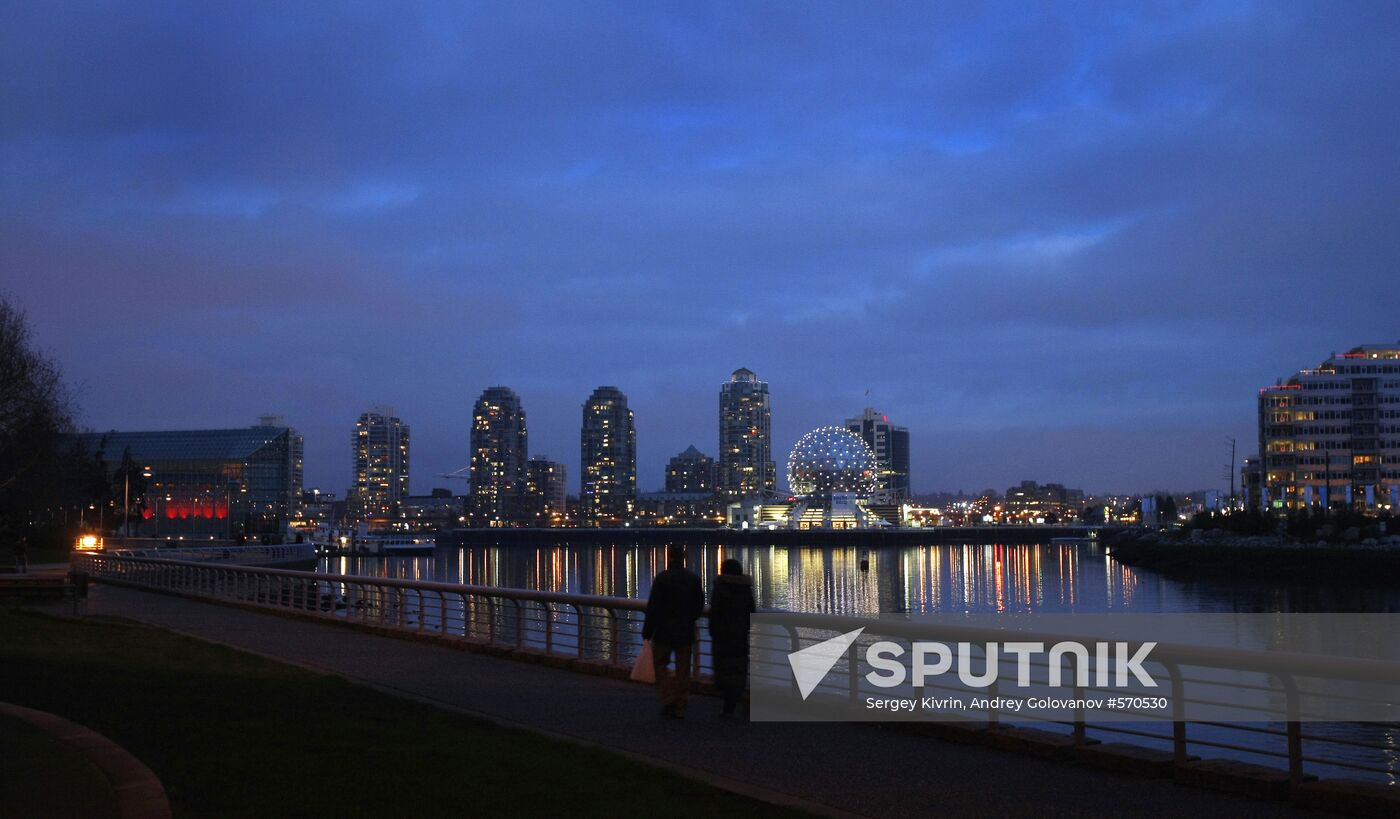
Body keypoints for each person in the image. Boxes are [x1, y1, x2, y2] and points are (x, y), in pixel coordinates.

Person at [642, 545, 704, 718]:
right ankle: (681, 706)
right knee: (683, 671)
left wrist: (647, 631)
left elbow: (653, 607)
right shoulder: (693, 579)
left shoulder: (662, 578)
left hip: (663, 630)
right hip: (684, 630)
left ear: (669, 557)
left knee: (660, 665)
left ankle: (668, 699)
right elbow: (698, 607)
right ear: (683, 558)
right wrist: (689, 618)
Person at [708, 558, 756, 717]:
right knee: (739, 667)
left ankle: (727, 703)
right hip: (740, 635)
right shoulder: (746, 589)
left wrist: (713, 630)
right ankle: (735, 699)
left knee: (724, 666)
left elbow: (714, 613)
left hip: (722, 635)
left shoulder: (719, 588)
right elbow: (751, 612)